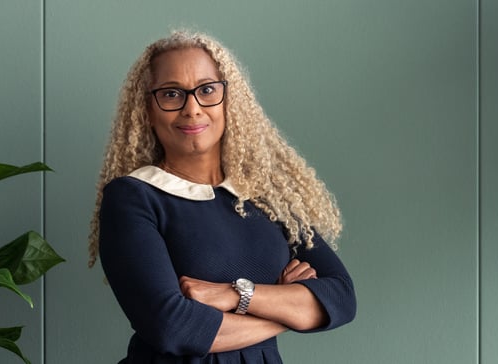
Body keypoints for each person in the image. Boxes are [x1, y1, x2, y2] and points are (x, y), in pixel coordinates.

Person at [88, 30, 356, 363]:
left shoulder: (266, 199)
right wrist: (287, 310)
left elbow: (341, 298)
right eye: (172, 94)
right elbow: (173, 328)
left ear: (231, 101)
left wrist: (235, 295)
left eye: (207, 90)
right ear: (148, 110)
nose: (192, 108)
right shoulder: (132, 198)